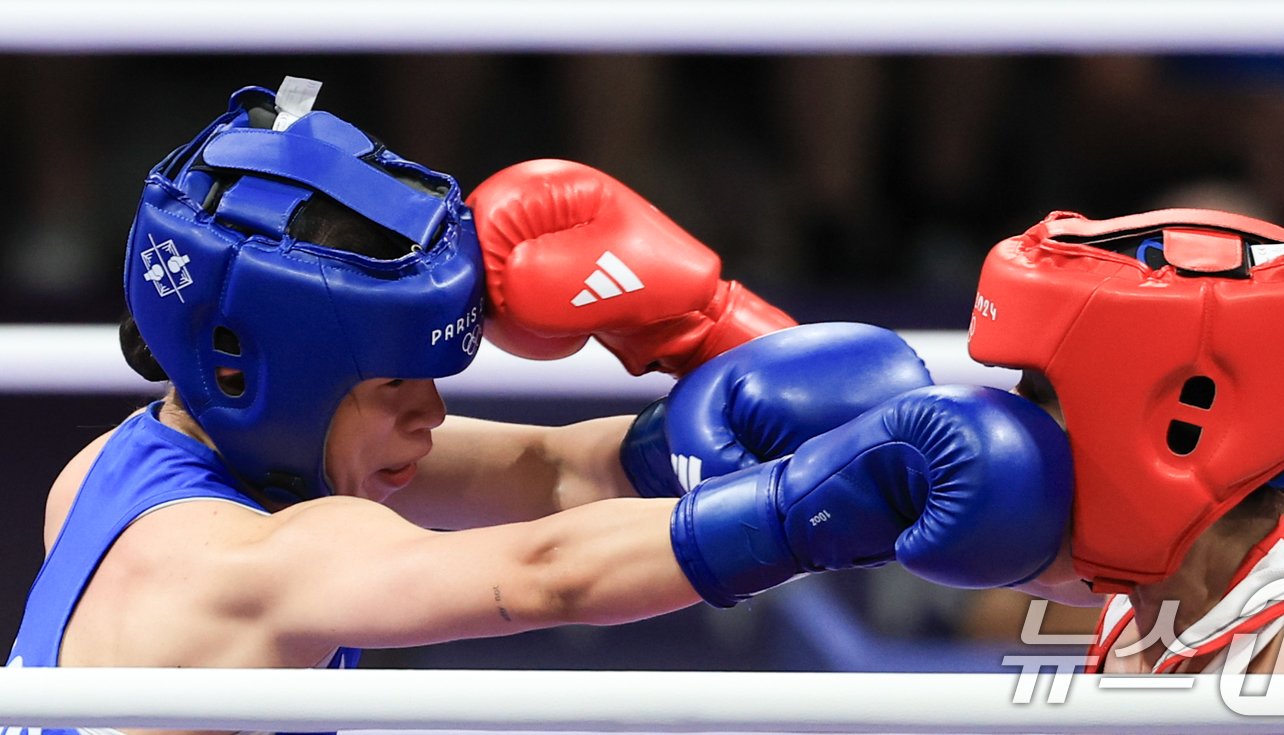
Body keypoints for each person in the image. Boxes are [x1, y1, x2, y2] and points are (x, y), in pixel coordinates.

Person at [6, 77, 1078, 733]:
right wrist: (806, 508)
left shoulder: (125, 461)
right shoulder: (256, 558)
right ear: (252, 375)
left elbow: (559, 476)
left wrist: (703, 358)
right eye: (391, 385)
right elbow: (546, 573)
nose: (428, 416)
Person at [967, 208, 1284, 675]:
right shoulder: (1137, 604)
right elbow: (1008, 593)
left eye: (1039, 394)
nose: (1014, 423)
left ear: (1180, 431)